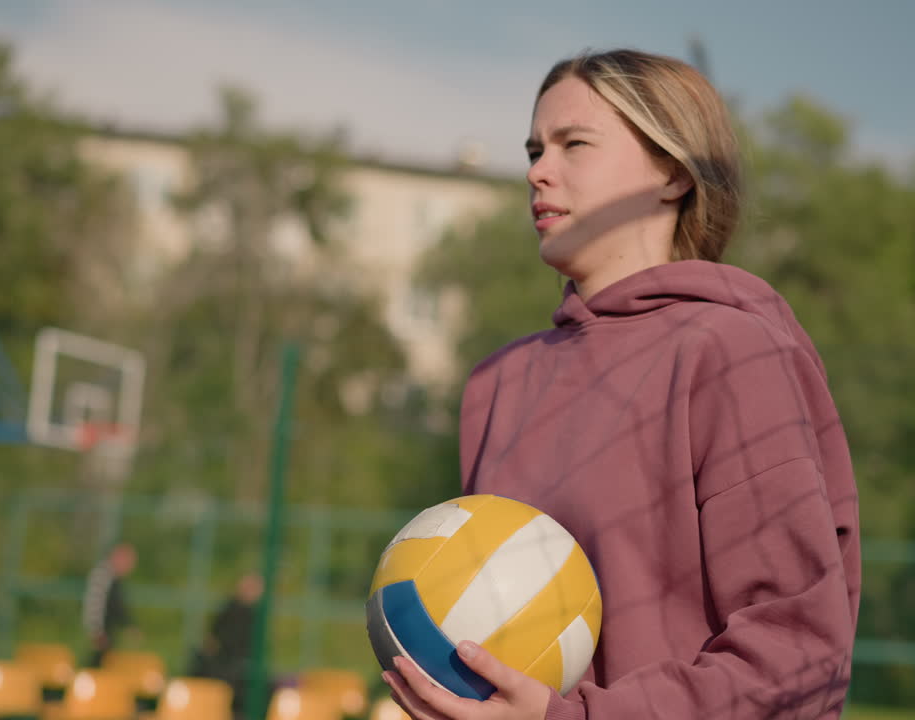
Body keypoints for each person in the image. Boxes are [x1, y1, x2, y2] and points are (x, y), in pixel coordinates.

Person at [382, 49, 860, 720]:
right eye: (534, 149)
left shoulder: (731, 351)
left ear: (670, 173)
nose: (537, 170)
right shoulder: (499, 381)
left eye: (573, 144)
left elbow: (795, 655)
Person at [189, 573, 265, 709]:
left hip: (240, 670)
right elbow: (211, 638)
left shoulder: (256, 615)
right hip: (224, 666)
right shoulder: (229, 607)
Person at [82, 542, 139, 667]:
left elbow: (117, 607)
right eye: (128, 560)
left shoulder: (113, 578)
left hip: (108, 630)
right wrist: (96, 631)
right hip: (101, 631)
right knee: (97, 664)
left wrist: (128, 624)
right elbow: (95, 604)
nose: (131, 566)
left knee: (104, 663)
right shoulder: (103, 576)